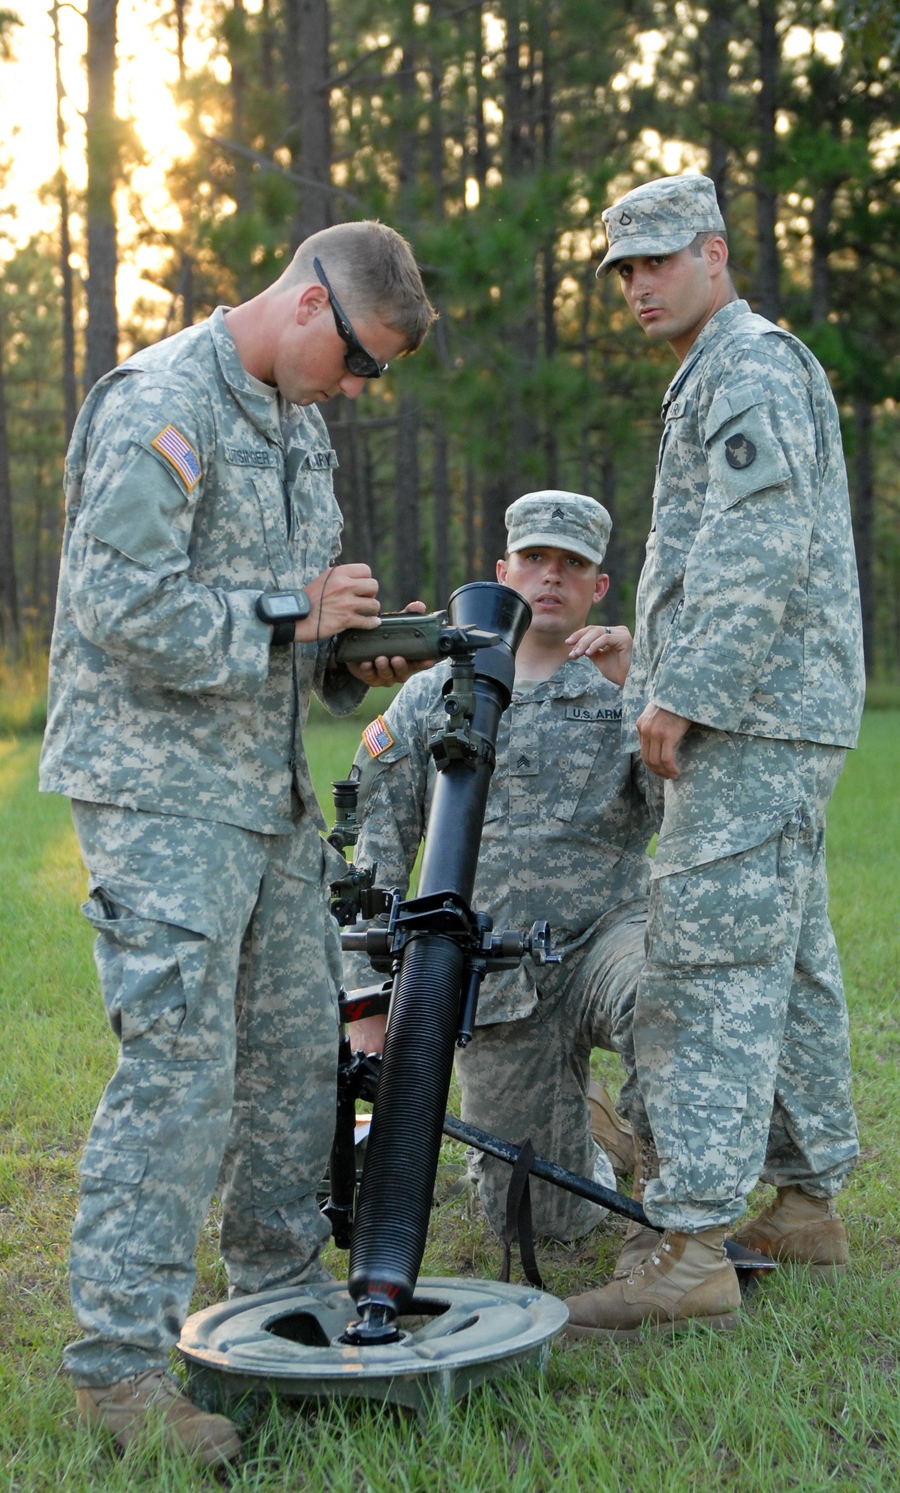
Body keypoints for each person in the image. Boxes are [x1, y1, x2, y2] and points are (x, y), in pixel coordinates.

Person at [40, 221, 436, 1464]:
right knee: (179, 1074)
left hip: (263, 798)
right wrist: (291, 610)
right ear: (312, 304)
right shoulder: (161, 403)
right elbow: (119, 602)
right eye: (363, 360)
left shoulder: (297, 427)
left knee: (291, 1059)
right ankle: (116, 1374)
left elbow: (292, 645)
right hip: (158, 798)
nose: (362, 390)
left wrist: (348, 658)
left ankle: (271, 1304)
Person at [563, 175, 865, 1341]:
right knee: (785, 960)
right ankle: (803, 1201)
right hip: (774, 713)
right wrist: (662, 653)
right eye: (622, 270)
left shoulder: (744, 368)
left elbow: (760, 542)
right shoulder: (729, 367)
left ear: (715, 254)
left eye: (655, 262)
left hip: (749, 719)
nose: (637, 286)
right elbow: (725, 558)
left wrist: (684, 691)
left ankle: (686, 1244)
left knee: (704, 965)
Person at [342, 491, 659, 1243]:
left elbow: (678, 813)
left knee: (666, 1000)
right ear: (502, 570)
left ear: (597, 587)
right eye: (536, 559)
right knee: (541, 1223)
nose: (552, 577)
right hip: (496, 978)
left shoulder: (626, 689)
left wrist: (643, 681)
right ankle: (584, 1134)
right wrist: (368, 1002)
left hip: (608, 938)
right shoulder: (433, 695)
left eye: (572, 564)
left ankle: (672, 1213)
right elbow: (377, 849)